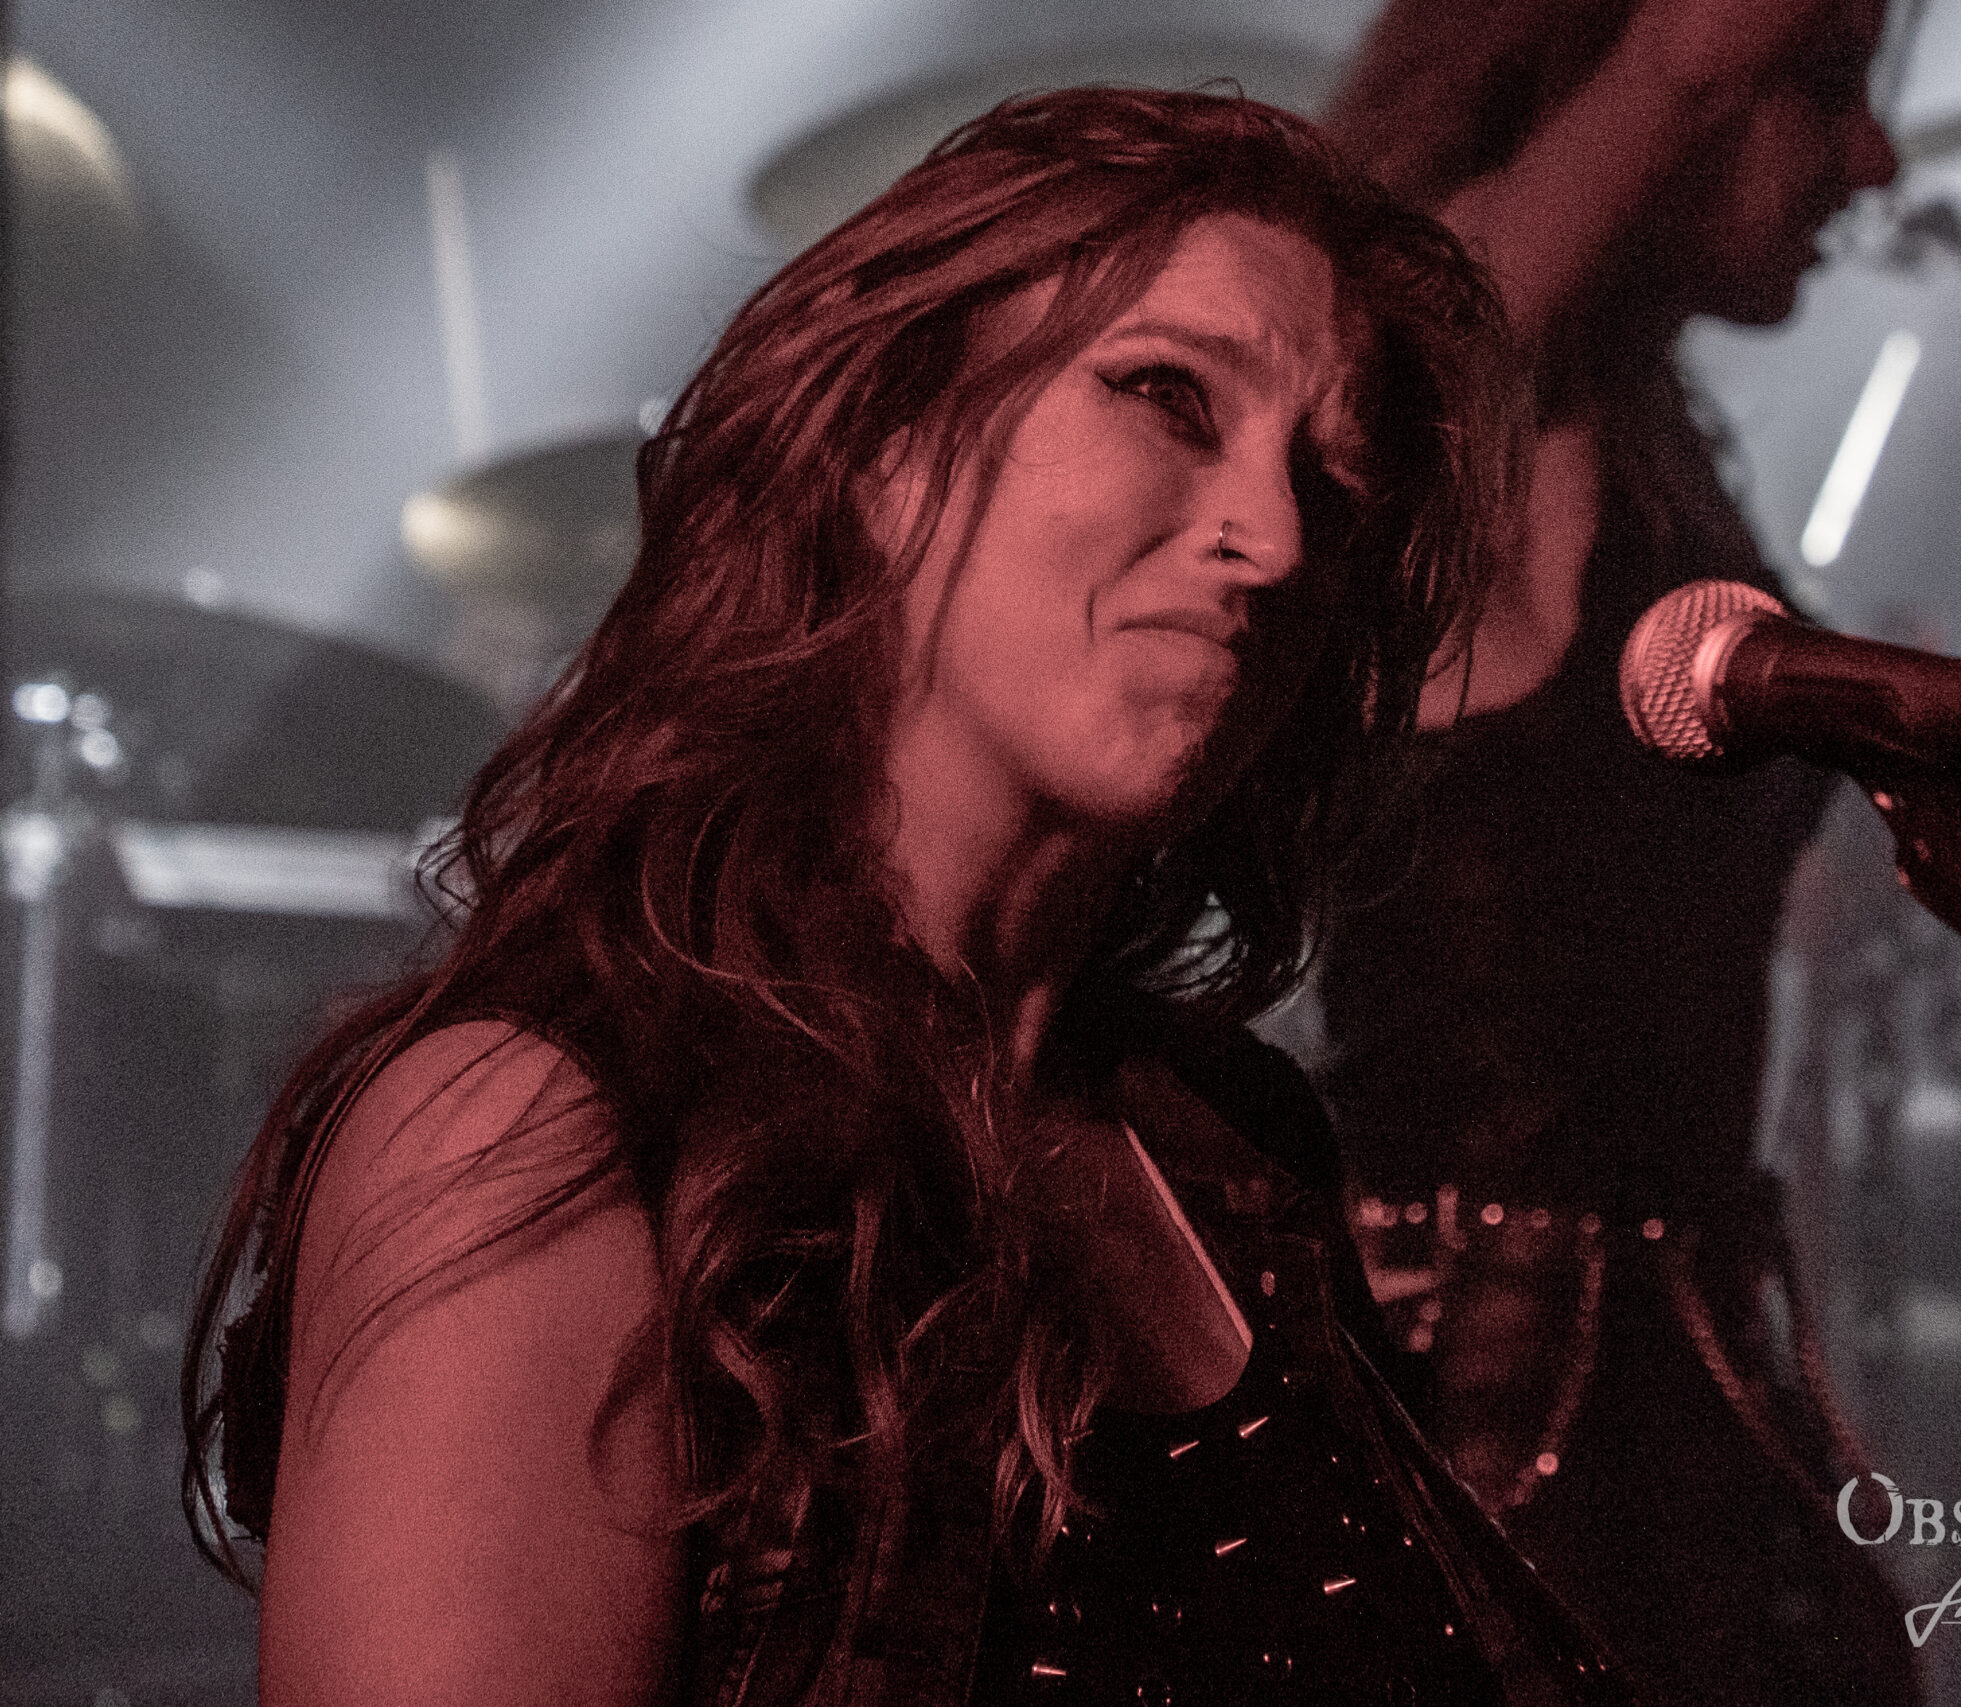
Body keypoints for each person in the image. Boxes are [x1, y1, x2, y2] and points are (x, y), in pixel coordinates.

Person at [175, 85, 1642, 1707]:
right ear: (879, 445)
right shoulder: (541, 1135)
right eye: (1168, 396)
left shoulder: (1232, 1152)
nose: (1278, 536)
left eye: (1332, 482)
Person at [1308, 1, 1961, 1704]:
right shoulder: (1454, 397)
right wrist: (1694, 59)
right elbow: (1667, 71)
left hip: (1696, 1355)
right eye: (1825, 85)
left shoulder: (1639, 443)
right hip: (1492, 1407)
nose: (1872, 160)